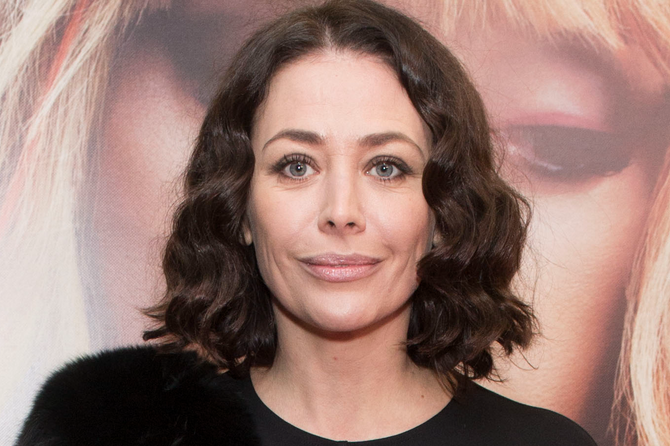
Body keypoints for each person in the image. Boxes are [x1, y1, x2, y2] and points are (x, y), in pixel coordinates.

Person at [16, 1, 596, 445]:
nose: (340, 211)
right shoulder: (111, 432)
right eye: (296, 165)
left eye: (386, 166)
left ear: (443, 212)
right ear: (240, 208)